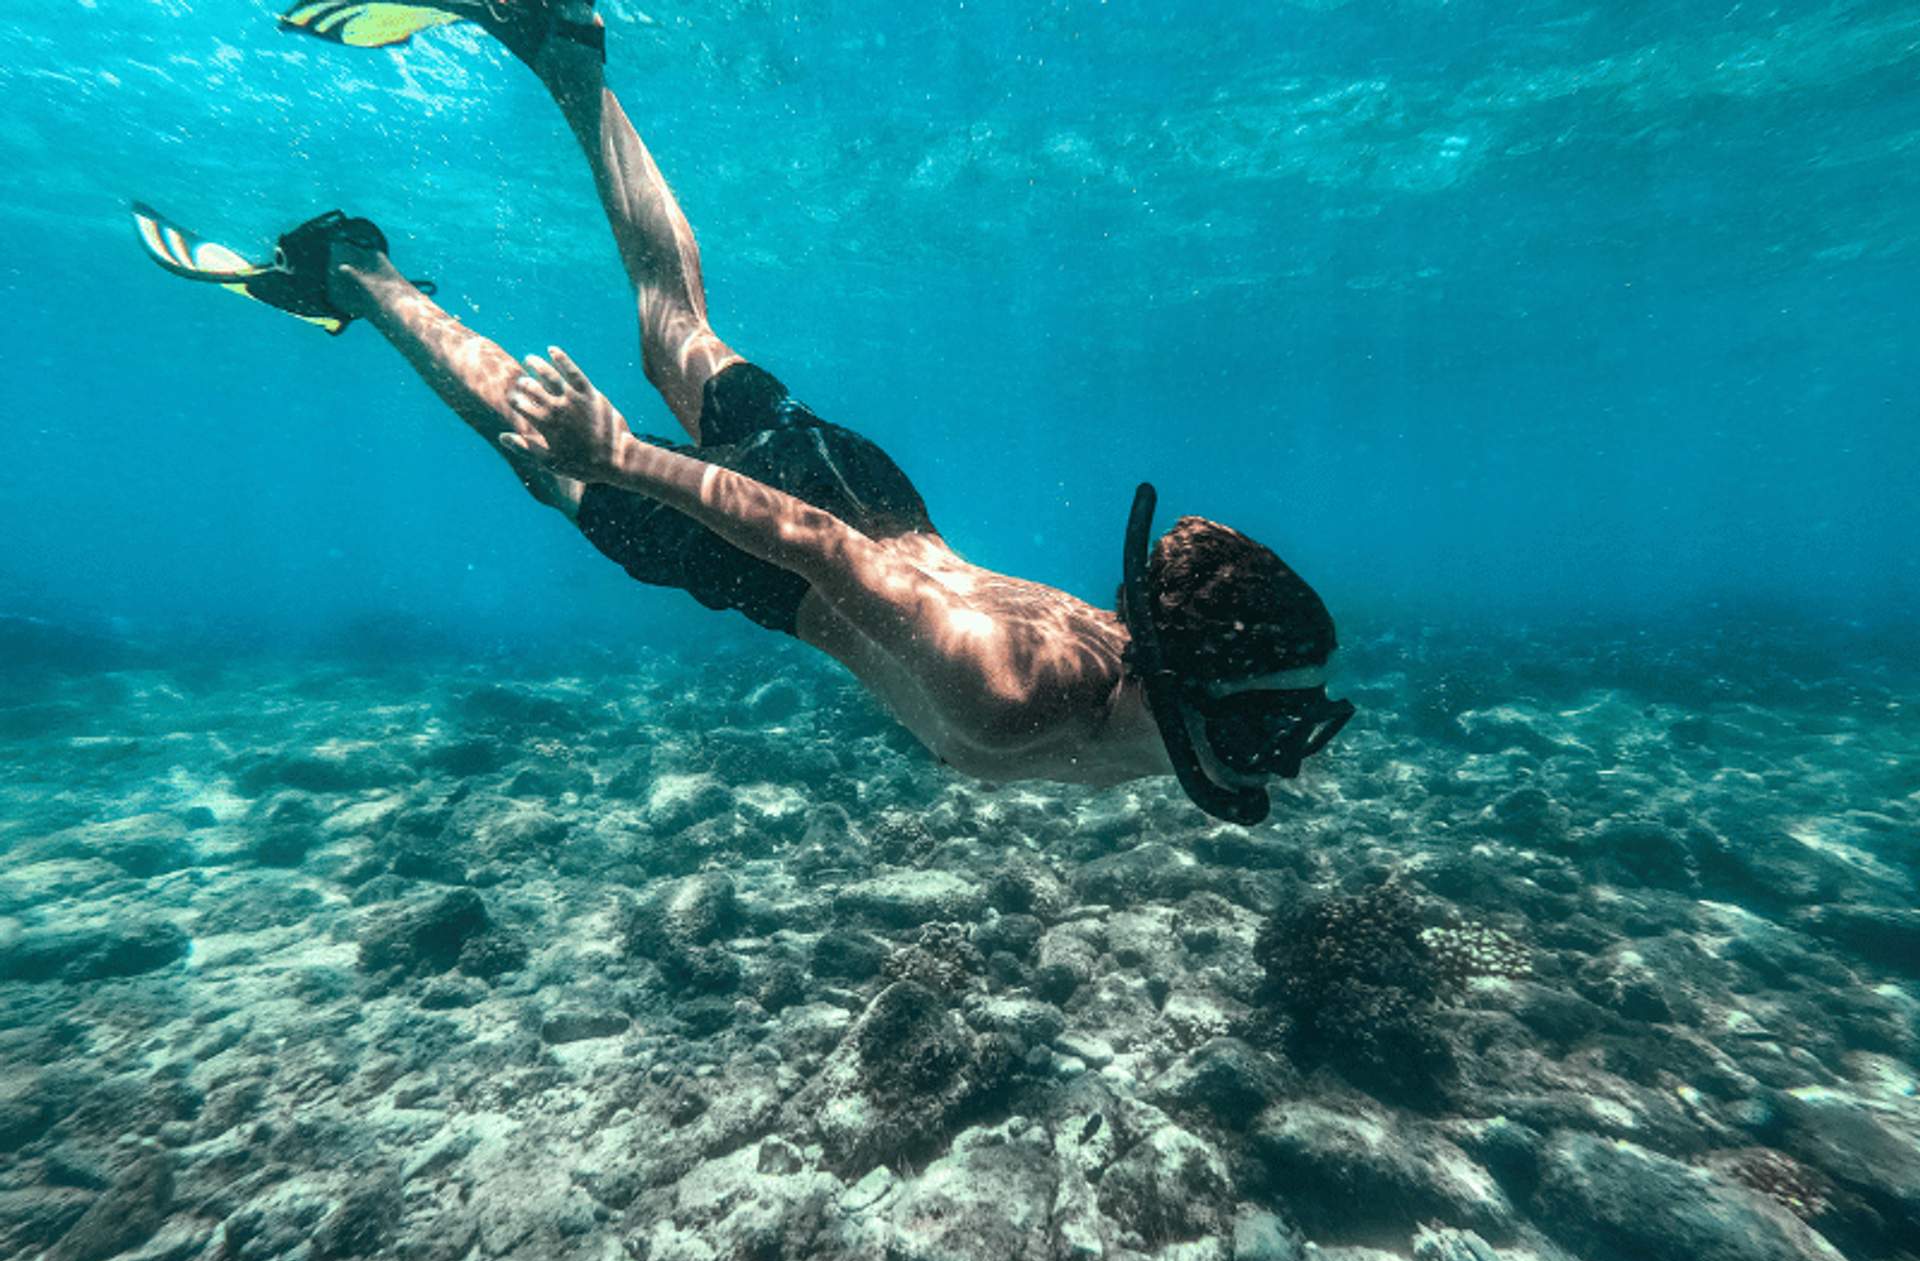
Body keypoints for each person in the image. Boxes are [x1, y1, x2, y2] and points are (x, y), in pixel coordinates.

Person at [135, 0, 1353, 824]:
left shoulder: (1152, 687)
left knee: (683, 337)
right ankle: (354, 266)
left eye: (1298, 720)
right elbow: (817, 549)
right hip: (778, 552)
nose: (1290, 750)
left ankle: (570, 58)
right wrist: (617, 458)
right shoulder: (1008, 685)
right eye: (1279, 724)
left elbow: (1196, 656)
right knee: (544, 455)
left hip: (883, 501)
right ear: (1189, 689)